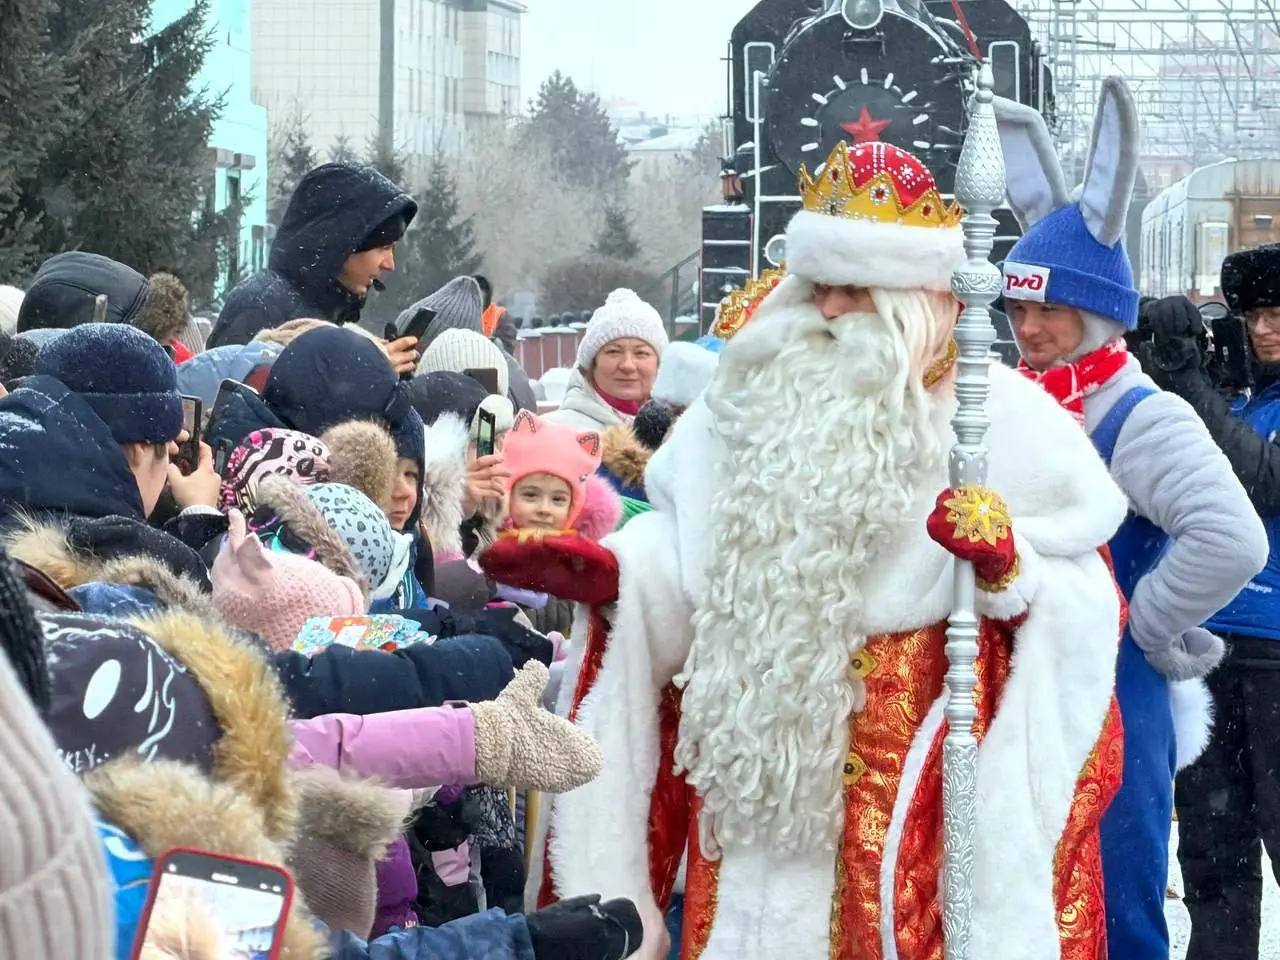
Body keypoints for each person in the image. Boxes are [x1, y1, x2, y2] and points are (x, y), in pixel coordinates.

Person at [522, 139, 1130, 960]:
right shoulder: (744, 408)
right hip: (748, 815)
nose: (831, 311)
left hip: (900, 819)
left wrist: (1007, 566)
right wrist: (620, 577)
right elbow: (686, 552)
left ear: (918, 300)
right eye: (816, 287)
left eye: (855, 289)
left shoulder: (1003, 427)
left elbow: (1086, 608)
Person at [994, 78, 1269, 960]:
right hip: (1030, 686)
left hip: (1114, 696)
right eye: (1019, 306)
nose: (1029, 327)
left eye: (1050, 307)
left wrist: (1138, 626)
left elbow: (1232, 538)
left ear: (1098, 308)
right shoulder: (1024, 402)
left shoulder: (1136, 412)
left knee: (1116, 908)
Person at [1139, 243, 1280, 960]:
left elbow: (1260, 481)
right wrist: (1156, 353)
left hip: (1277, 654)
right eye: (1257, 313)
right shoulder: (1234, 394)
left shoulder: (1235, 404)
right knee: (1212, 853)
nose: (1267, 328)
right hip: (1206, 651)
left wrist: (1192, 384)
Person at [208, 162, 417, 347]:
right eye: (383, 247)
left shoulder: (325, 304)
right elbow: (233, 386)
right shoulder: (260, 307)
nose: (390, 264)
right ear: (345, 240)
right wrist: (369, 373)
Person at [543, 290, 668, 432]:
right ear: (591, 364)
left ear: (659, 365)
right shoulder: (555, 433)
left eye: (641, 353)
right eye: (614, 352)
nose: (627, 365)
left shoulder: (680, 435)